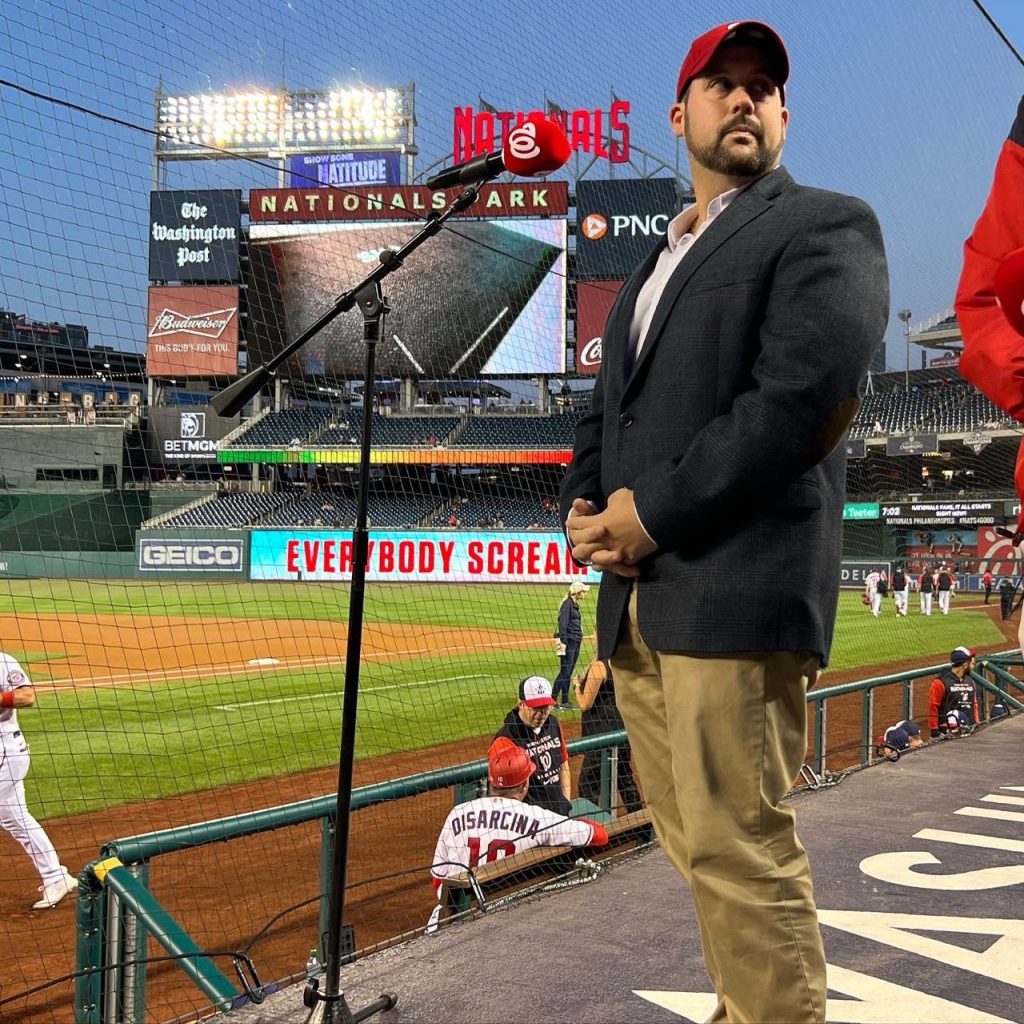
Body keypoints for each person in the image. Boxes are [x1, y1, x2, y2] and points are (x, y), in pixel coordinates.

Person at [559, 20, 888, 1024]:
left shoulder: (824, 222)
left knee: (737, 841)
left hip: (733, 589)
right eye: (720, 83)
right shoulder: (652, 267)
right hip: (642, 605)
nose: (742, 98)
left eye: (761, 87)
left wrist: (647, 514)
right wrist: (582, 501)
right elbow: (604, 407)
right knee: (697, 842)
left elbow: (797, 399)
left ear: (783, 115)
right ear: (680, 115)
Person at [0, 653, 78, 909]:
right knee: (15, 818)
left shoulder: (3, 662)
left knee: (14, 817)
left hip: (5, 751)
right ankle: (56, 877)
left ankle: (56, 876)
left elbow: (27, 696)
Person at [573, 657, 643, 813]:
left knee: (588, 786)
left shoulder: (599, 666)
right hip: (619, 730)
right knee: (625, 780)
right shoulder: (621, 662)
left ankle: (591, 829)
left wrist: (576, 685)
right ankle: (644, 831)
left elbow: (585, 704)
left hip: (601, 736)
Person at [493, 676, 572, 814]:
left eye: (546, 707)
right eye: (535, 707)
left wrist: (565, 802)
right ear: (521, 703)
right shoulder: (506, 738)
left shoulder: (553, 724)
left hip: (559, 816)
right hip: (530, 822)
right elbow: (504, 794)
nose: (541, 714)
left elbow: (563, 764)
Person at [928, 647, 980, 737]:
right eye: (971, 663)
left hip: (970, 730)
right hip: (948, 733)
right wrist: (934, 730)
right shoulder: (940, 682)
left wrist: (977, 722)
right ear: (964, 665)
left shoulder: (970, 681)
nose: (973, 666)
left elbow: (974, 704)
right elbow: (933, 707)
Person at [552, 581, 589, 708]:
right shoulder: (567, 605)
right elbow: (563, 624)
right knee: (565, 672)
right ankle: (552, 700)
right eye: (583, 591)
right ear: (577, 592)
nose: (585, 593)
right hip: (569, 641)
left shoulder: (574, 604)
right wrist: (564, 641)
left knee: (568, 671)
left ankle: (565, 700)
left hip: (575, 640)